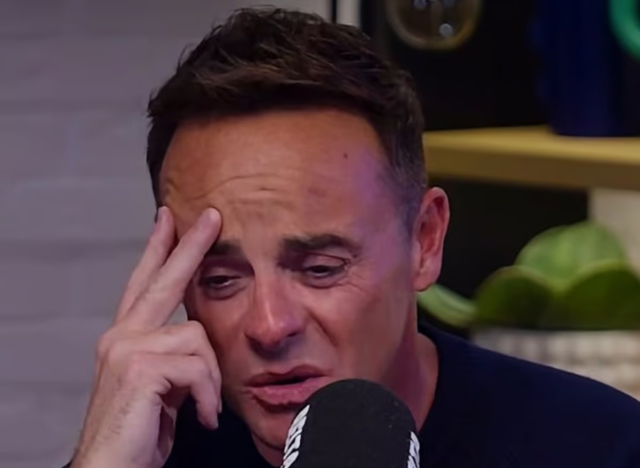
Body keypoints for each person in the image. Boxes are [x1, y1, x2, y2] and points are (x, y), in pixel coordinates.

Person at [63, 7, 640, 468]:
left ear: (425, 240)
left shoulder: (601, 448)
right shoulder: (154, 450)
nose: (269, 325)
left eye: (320, 268)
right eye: (220, 280)